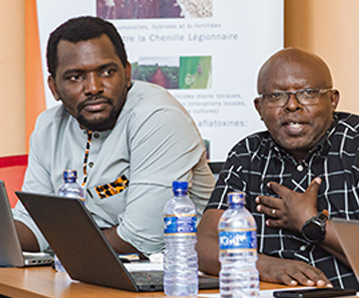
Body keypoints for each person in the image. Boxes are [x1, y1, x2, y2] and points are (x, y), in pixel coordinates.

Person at [195, 48, 359, 290]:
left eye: (307, 93)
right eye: (276, 96)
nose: (292, 105)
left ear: (333, 100)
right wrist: (268, 266)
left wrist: (311, 224)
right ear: (259, 107)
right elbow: (202, 245)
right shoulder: (247, 154)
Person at [12, 16, 214, 257]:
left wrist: (62, 247)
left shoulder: (158, 117)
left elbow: (141, 238)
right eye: (76, 77)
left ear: (127, 74)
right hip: (94, 270)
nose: (94, 87)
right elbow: (34, 223)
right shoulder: (48, 127)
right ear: (54, 87)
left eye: (107, 72)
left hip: (173, 279)